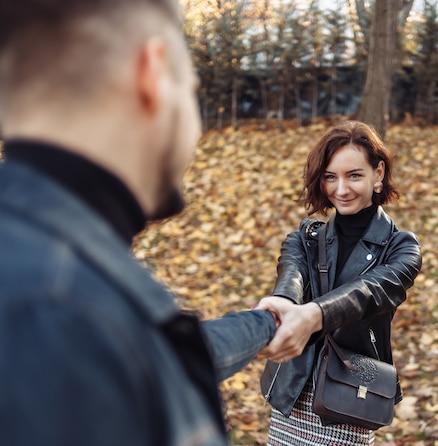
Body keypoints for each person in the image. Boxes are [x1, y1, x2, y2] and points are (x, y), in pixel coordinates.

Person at [0, 1, 320, 445]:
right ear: (153, 74)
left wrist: (266, 324)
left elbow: (164, 351)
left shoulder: (55, 273)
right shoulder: (58, 311)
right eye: (191, 91)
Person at [257, 121, 422, 445]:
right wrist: (284, 304)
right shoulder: (304, 238)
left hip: (351, 394)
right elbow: (292, 275)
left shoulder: (402, 248)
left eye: (354, 175)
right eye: (331, 177)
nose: (341, 189)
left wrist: (313, 315)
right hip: (294, 389)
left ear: (378, 174)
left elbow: (369, 293)